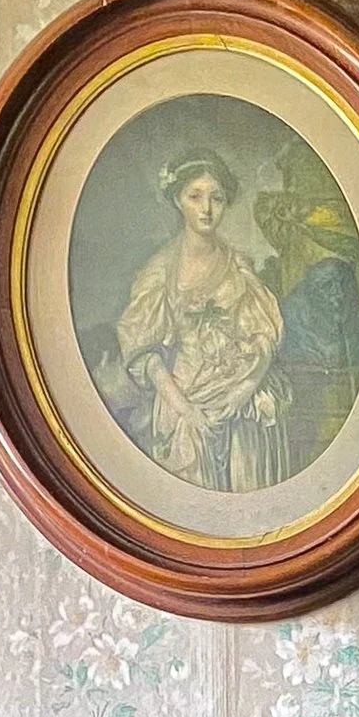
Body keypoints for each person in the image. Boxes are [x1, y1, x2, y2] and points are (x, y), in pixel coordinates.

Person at [110, 150, 292, 492]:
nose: (207, 209)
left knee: (249, 457)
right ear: (178, 200)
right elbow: (144, 354)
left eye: (216, 198)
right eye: (195, 197)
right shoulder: (160, 271)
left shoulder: (238, 264)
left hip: (243, 393)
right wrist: (184, 408)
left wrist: (243, 390)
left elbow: (265, 336)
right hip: (186, 397)